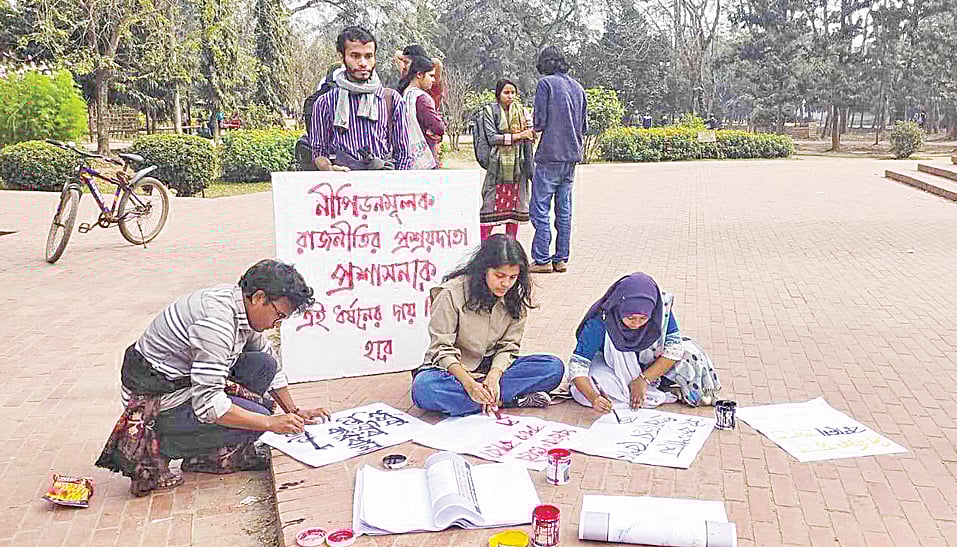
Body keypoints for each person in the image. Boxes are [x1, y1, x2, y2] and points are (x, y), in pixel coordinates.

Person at [95, 260, 330, 496]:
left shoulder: (241, 306)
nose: (276, 324)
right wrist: (270, 424)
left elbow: (270, 361)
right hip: (154, 402)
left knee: (263, 365)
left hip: (184, 382)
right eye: (278, 315)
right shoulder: (216, 323)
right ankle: (160, 447)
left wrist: (293, 410)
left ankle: (207, 455)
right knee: (259, 418)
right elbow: (209, 405)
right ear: (259, 297)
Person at [411, 235, 565, 416]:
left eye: (513, 277)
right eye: (499, 276)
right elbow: (441, 349)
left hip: (492, 368)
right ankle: (508, 400)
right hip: (453, 371)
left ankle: (483, 398)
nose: (506, 283)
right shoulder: (451, 294)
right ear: (484, 270)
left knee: (552, 367)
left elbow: (509, 347)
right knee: (424, 389)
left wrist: (494, 376)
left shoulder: (515, 298)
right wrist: (469, 384)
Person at [568, 272, 721, 414]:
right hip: (612, 367)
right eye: (630, 318)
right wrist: (594, 398)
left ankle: (658, 386)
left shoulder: (661, 310)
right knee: (591, 386)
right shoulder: (601, 320)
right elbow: (578, 366)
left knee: (691, 354)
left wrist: (643, 379)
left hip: (653, 365)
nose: (636, 324)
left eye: (643, 319)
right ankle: (661, 392)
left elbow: (674, 349)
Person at [308, 26, 413, 171]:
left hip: (385, 186)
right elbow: (319, 151)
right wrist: (329, 169)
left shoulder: (391, 100)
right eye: (355, 56)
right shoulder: (325, 103)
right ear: (342, 57)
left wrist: (397, 186)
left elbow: (404, 154)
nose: (363, 63)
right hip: (345, 188)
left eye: (369, 56)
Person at [528, 46, 587, 274]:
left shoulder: (546, 84)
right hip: (572, 155)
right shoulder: (578, 88)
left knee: (540, 208)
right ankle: (561, 259)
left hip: (550, 154)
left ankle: (542, 259)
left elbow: (540, 121)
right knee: (564, 210)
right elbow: (583, 126)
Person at [479, 79, 534, 240]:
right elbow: (491, 137)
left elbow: (530, 135)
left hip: (518, 167)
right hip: (497, 168)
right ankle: (483, 247)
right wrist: (519, 136)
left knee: (514, 211)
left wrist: (529, 132)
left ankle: (510, 246)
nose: (510, 96)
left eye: (513, 93)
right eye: (506, 93)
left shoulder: (522, 112)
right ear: (498, 94)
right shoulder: (489, 111)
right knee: (489, 209)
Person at [397, 55, 444, 169]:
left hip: (405, 155)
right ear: (419, 74)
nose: (433, 80)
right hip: (425, 155)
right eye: (431, 76)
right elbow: (439, 127)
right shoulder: (421, 98)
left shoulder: (403, 94)